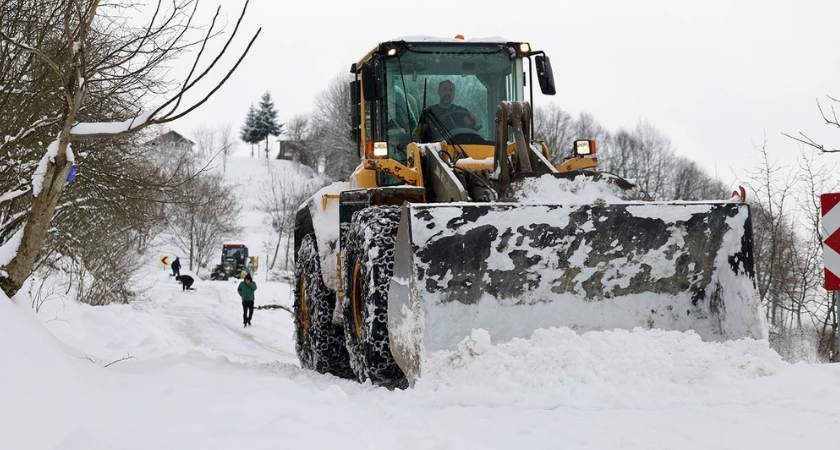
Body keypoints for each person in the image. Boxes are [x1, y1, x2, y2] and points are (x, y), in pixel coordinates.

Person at [415, 80, 480, 142]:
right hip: (434, 151)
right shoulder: (428, 113)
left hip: (461, 151)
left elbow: (472, 134)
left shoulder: (463, 113)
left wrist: (473, 122)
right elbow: (418, 137)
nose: (448, 93)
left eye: (451, 90)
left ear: (454, 93)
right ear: (439, 92)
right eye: (445, 89)